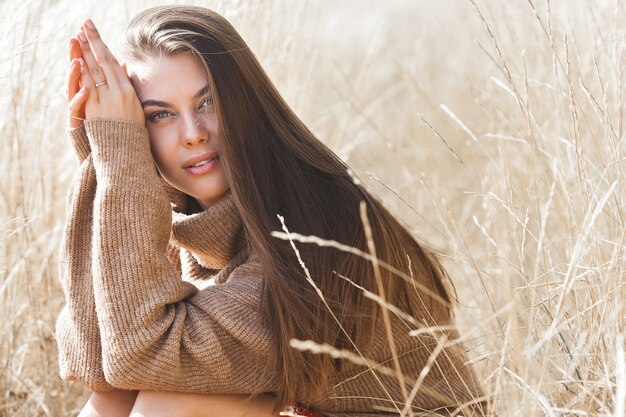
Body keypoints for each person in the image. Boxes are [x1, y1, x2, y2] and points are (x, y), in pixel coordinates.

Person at [56, 5, 490, 417]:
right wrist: (103, 160)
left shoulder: (311, 233)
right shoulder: (187, 224)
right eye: (160, 115)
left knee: (170, 402)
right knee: (116, 400)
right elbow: (102, 368)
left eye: (208, 102)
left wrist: (120, 158)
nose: (193, 133)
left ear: (246, 104)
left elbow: (139, 354)